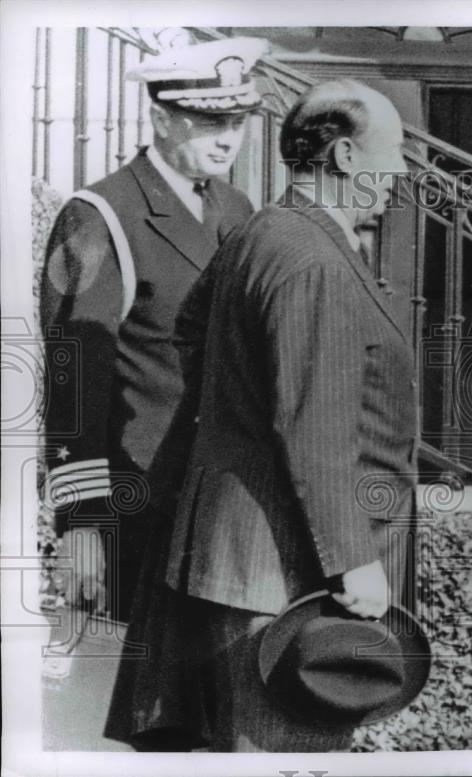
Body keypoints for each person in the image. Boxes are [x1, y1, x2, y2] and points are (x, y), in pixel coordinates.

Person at [149, 79, 414, 752]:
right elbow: (314, 427)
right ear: (348, 157)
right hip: (290, 572)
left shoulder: (262, 231)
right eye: (395, 154)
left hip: (249, 556)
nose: (402, 174)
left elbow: (188, 333)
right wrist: (353, 560)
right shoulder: (311, 257)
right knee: (287, 754)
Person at [40, 34, 267, 621]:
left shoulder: (237, 209)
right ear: (161, 119)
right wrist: (82, 523)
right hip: (136, 500)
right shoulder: (100, 214)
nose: (228, 138)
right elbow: (75, 375)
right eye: (207, 122)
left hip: (218, 500)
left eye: (238, 121)